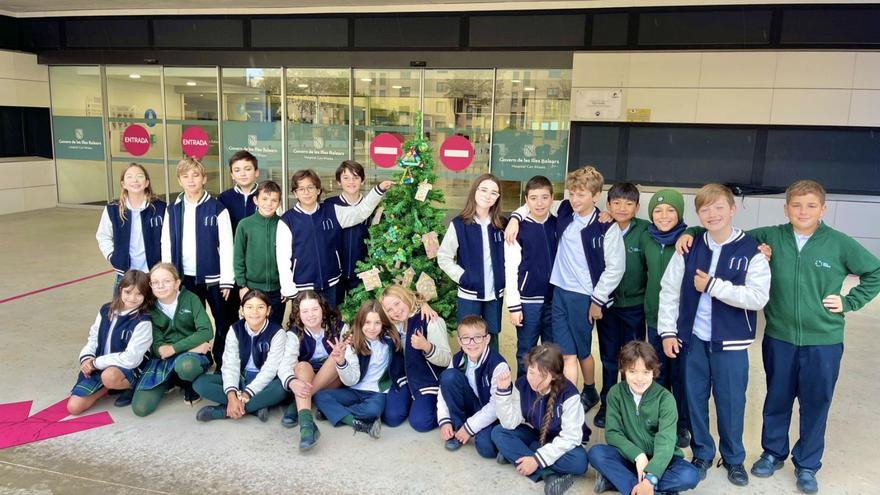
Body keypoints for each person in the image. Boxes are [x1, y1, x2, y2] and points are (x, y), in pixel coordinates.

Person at [678, 179, 880, 494]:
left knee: (815, 404)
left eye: (811, 205)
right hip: (780, 337)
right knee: (777, 399)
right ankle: (773, 453)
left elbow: (875, 272)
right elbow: (719, 231)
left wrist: (849, 301)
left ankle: (808, 465)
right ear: (785, 208)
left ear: (823, 209)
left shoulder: (839, 243)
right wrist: (688, 233)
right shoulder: (769, 237)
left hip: (823, 340)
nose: (803, 211)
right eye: (796, 205)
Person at [658, 183, 771, 486]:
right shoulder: (689, 246)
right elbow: (669, 290)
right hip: (692, 339)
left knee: (731, 401)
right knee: (694, 399)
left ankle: (734, 458)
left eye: (719, 207)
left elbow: (758, 297)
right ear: (698, 214)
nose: (713, 214)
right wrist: (668, 332)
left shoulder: (751, 250)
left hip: (731, 343)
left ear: (733, 210)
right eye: (705, 209)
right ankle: (703, 453)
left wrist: (712, 286)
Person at [506, 166, 625, 411]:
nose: (575, 199)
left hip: (584, 296)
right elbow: (537, 200)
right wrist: (515, 217)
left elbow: (616, 268)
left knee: (582, 351)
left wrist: (598, 299)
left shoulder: (605, 226)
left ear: (595, 195)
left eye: (582, 194)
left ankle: (590, 389)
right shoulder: (565, 210)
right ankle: (567, 401)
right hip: (558, 292)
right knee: (566, 352)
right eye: (572, 193)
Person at [589, 341, 700, 495]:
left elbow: (666, 442)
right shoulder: (615, 393)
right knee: (596, 453)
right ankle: (654, 490)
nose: (639, 379)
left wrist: (651, 477)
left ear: (653, 372)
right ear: (623, 370)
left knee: (690, 475)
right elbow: (613, 433)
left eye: (646, 372)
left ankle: (628, 483)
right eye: (633, 371)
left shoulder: (665, 399)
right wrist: (638, 456)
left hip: (662, 460)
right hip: (630, 457)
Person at [276, 169, 392, 309]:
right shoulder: (287, 220)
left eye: (310, 187)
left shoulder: (332, 211)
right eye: (301, 189)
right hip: (303, 287)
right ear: (295, 193)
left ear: (318, 190)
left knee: (330, 325)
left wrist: (377, 190)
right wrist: (289, 290)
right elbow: (282, 258)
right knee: (306, 324)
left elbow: (361, 212)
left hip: (331, 284)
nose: (306, 192)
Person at [161, 157, 234, 369]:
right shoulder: (172, 209)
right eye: (186, 176)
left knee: (222, 322)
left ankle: (222, 363)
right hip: (184, 278)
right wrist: (168, 277)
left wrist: (227, 280)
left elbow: (227, 247)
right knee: (191, 325)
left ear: (203, 179)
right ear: (179, 180)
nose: (191, 180)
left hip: (213, 278)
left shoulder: (217, 208)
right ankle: (199, 362)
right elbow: (166, 244)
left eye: (195, 175)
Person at [492, 344, 589, 495]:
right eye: (531, 372)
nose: (534, 380)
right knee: (499, 432)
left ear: (555, 375)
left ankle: (519, 454)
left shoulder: (570, 395)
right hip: (536, 434)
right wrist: (503, 392)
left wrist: (536, 460)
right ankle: (548, 475)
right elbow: (510, 423)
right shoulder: (522, 384)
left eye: (542, 376)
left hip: (561, 442)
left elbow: (571, 437)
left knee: (580, 461)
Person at [313, 300, 403, 447]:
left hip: (376, 392)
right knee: (320, 396)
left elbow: (404, 318)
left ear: (383, 323)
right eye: (367, 322)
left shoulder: (390, 340)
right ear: (360, 322)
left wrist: (422, 304)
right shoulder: (353, 344)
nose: (372, 328)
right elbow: (350, 381)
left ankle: (332, 413)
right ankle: (357, 423)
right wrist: (341, 362)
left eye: (377, 323)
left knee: (373, 411)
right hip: (354, 390)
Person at [641, 189, 691, 449]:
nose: (663, 215)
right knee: (657, 373)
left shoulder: (690, 239)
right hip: (654, 316)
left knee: (681, 375)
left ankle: (682, 424)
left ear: (680, 213)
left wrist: (692, 232)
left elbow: (708, 232)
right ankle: (660, 420)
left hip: (681, 321)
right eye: (658, 211)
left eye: (670, 210)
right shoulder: (646, 236)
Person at [193, 289, 287, 423]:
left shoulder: (277, 333)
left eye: (260, 307)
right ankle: (256, 406)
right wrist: (232, 396)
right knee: (200, 384)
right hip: (240, 378)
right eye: (249, 307)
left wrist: (248, 392)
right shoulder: (235, 329)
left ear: (268, 310)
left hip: (265, 381)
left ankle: (224, 411)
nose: (254, 312)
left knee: (281, 388)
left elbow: (270, 369)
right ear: (242, 310)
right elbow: (230, 364)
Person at [131, 263, 214, 416]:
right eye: (155, 282)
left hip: (190, 358)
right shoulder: (148, 308)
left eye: (167, 281)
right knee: (140, 408)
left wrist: (175, 349)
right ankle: (172, 380)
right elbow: (159, 348)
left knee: (187, 366)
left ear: (177, 283)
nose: (161, 286)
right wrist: (190, 347)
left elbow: (206, 331)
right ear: (150, 285)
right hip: (163, 360)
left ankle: (189, 383)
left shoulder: (191, 299)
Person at [67, 270, 153, 414]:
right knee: (73, 407)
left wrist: (95, 363)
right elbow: (93, 337)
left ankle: (130, 386)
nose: (132, 298)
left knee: (109, 376)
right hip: (99, 366)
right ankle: (106, 388)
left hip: (127, 368)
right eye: (128, 292)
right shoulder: (106, 310)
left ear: (145, 295)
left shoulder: (142, 321)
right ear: (120, 290)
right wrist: (87, 358)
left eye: (139, 294)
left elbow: (131, 359)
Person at [438, 173, 506, 352]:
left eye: (493, 192)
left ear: (497, 198)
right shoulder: (459, 224)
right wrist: (463, 277)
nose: (487, 195)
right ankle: (467, 376)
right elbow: (444, 257)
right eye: (483, 190)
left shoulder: (502, 224)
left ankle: (491, 375)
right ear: (474, 191)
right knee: (469, 338)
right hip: (469, 293)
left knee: (491, 337)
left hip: (494, 294)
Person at [277, 290, 348, 449]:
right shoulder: (294, 334)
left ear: (322, 309)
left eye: (315, 309)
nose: (311, 315)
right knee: (302, 366)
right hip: (307, 376)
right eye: (305, 311)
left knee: (335, 356)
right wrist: (292, 382)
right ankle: (307, 425)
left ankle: (297, 405)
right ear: (298, 314)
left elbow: (348, 362)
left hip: (333, 378)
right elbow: (285, 364)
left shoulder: (339, 327)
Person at [503, 175, 558, 377]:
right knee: (525, 351)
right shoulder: (517, 230)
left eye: (544, 197)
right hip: (527, 302)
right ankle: (523, 391)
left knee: (551, 351)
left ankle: (548, 391)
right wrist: (514, 306)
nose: (539, 203)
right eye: (533, 198)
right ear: (526, 200)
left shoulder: (558, 224)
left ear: (552, 198)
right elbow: (510, 268)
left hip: (554, 300)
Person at [379, 284, 452, 431]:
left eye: (397, 303)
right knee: (391, 418)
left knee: (420, 423)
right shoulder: (394, 326)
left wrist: (426, 347)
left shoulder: (430, 319)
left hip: (427, 381)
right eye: (389, 310)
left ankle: (442, 408)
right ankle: (413, 401)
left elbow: (446, 359)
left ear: (405, 297)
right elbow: (369, 322)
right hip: (405, 380)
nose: (396, 311)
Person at [437, 315, 510, 458]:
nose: (471, 343)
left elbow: (496, 406)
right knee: (448, 376)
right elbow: (443, 390)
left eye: (478, 337)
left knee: (486, 448)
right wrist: (444, 420)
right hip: (472, 405)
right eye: (466, 338)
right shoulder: (458, 359)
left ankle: (505, 446)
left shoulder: (498, 365)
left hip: (493, 413)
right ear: (459, 341)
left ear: (487, 339)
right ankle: (457, 429)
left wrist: (469, 428)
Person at [95, 163, 166, 287]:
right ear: (123, 184)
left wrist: (164, 263)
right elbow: (103, 236)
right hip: (125, 274)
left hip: (154, 273)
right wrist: (114, 257)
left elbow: (169, 239)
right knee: (124, 306)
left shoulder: (160, 208)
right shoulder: (113, 209)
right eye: (129, 177)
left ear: (147, 182)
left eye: (140, 176)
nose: (135, 180)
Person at [324, 160, 376, 304]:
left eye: (356, 177)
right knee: (333, 314)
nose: (351, 182)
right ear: (339, 182)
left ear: (363, 180)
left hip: (364, 272)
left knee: (362, 314)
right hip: (334, 274)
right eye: (346, 178)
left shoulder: (372, 207)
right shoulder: (329, 206)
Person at [233, 180, 284, 324]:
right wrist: (242, 285)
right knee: (253, 324)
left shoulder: (283, 224)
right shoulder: (245, 225)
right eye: (265, 199)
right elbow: (238, 257)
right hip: (252, 289)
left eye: (274, 200)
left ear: (279, 202)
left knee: (274, 326)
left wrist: (285, 286)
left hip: (277, 290)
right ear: (256, 200)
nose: (269, 203)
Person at [217, 150, 259, 233]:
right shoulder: (223, 198)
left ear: (256, 172)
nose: (242, 174)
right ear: (232, 175)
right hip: (232, 245)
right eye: (237, 170)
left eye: (247, 169)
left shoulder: (266, 196)